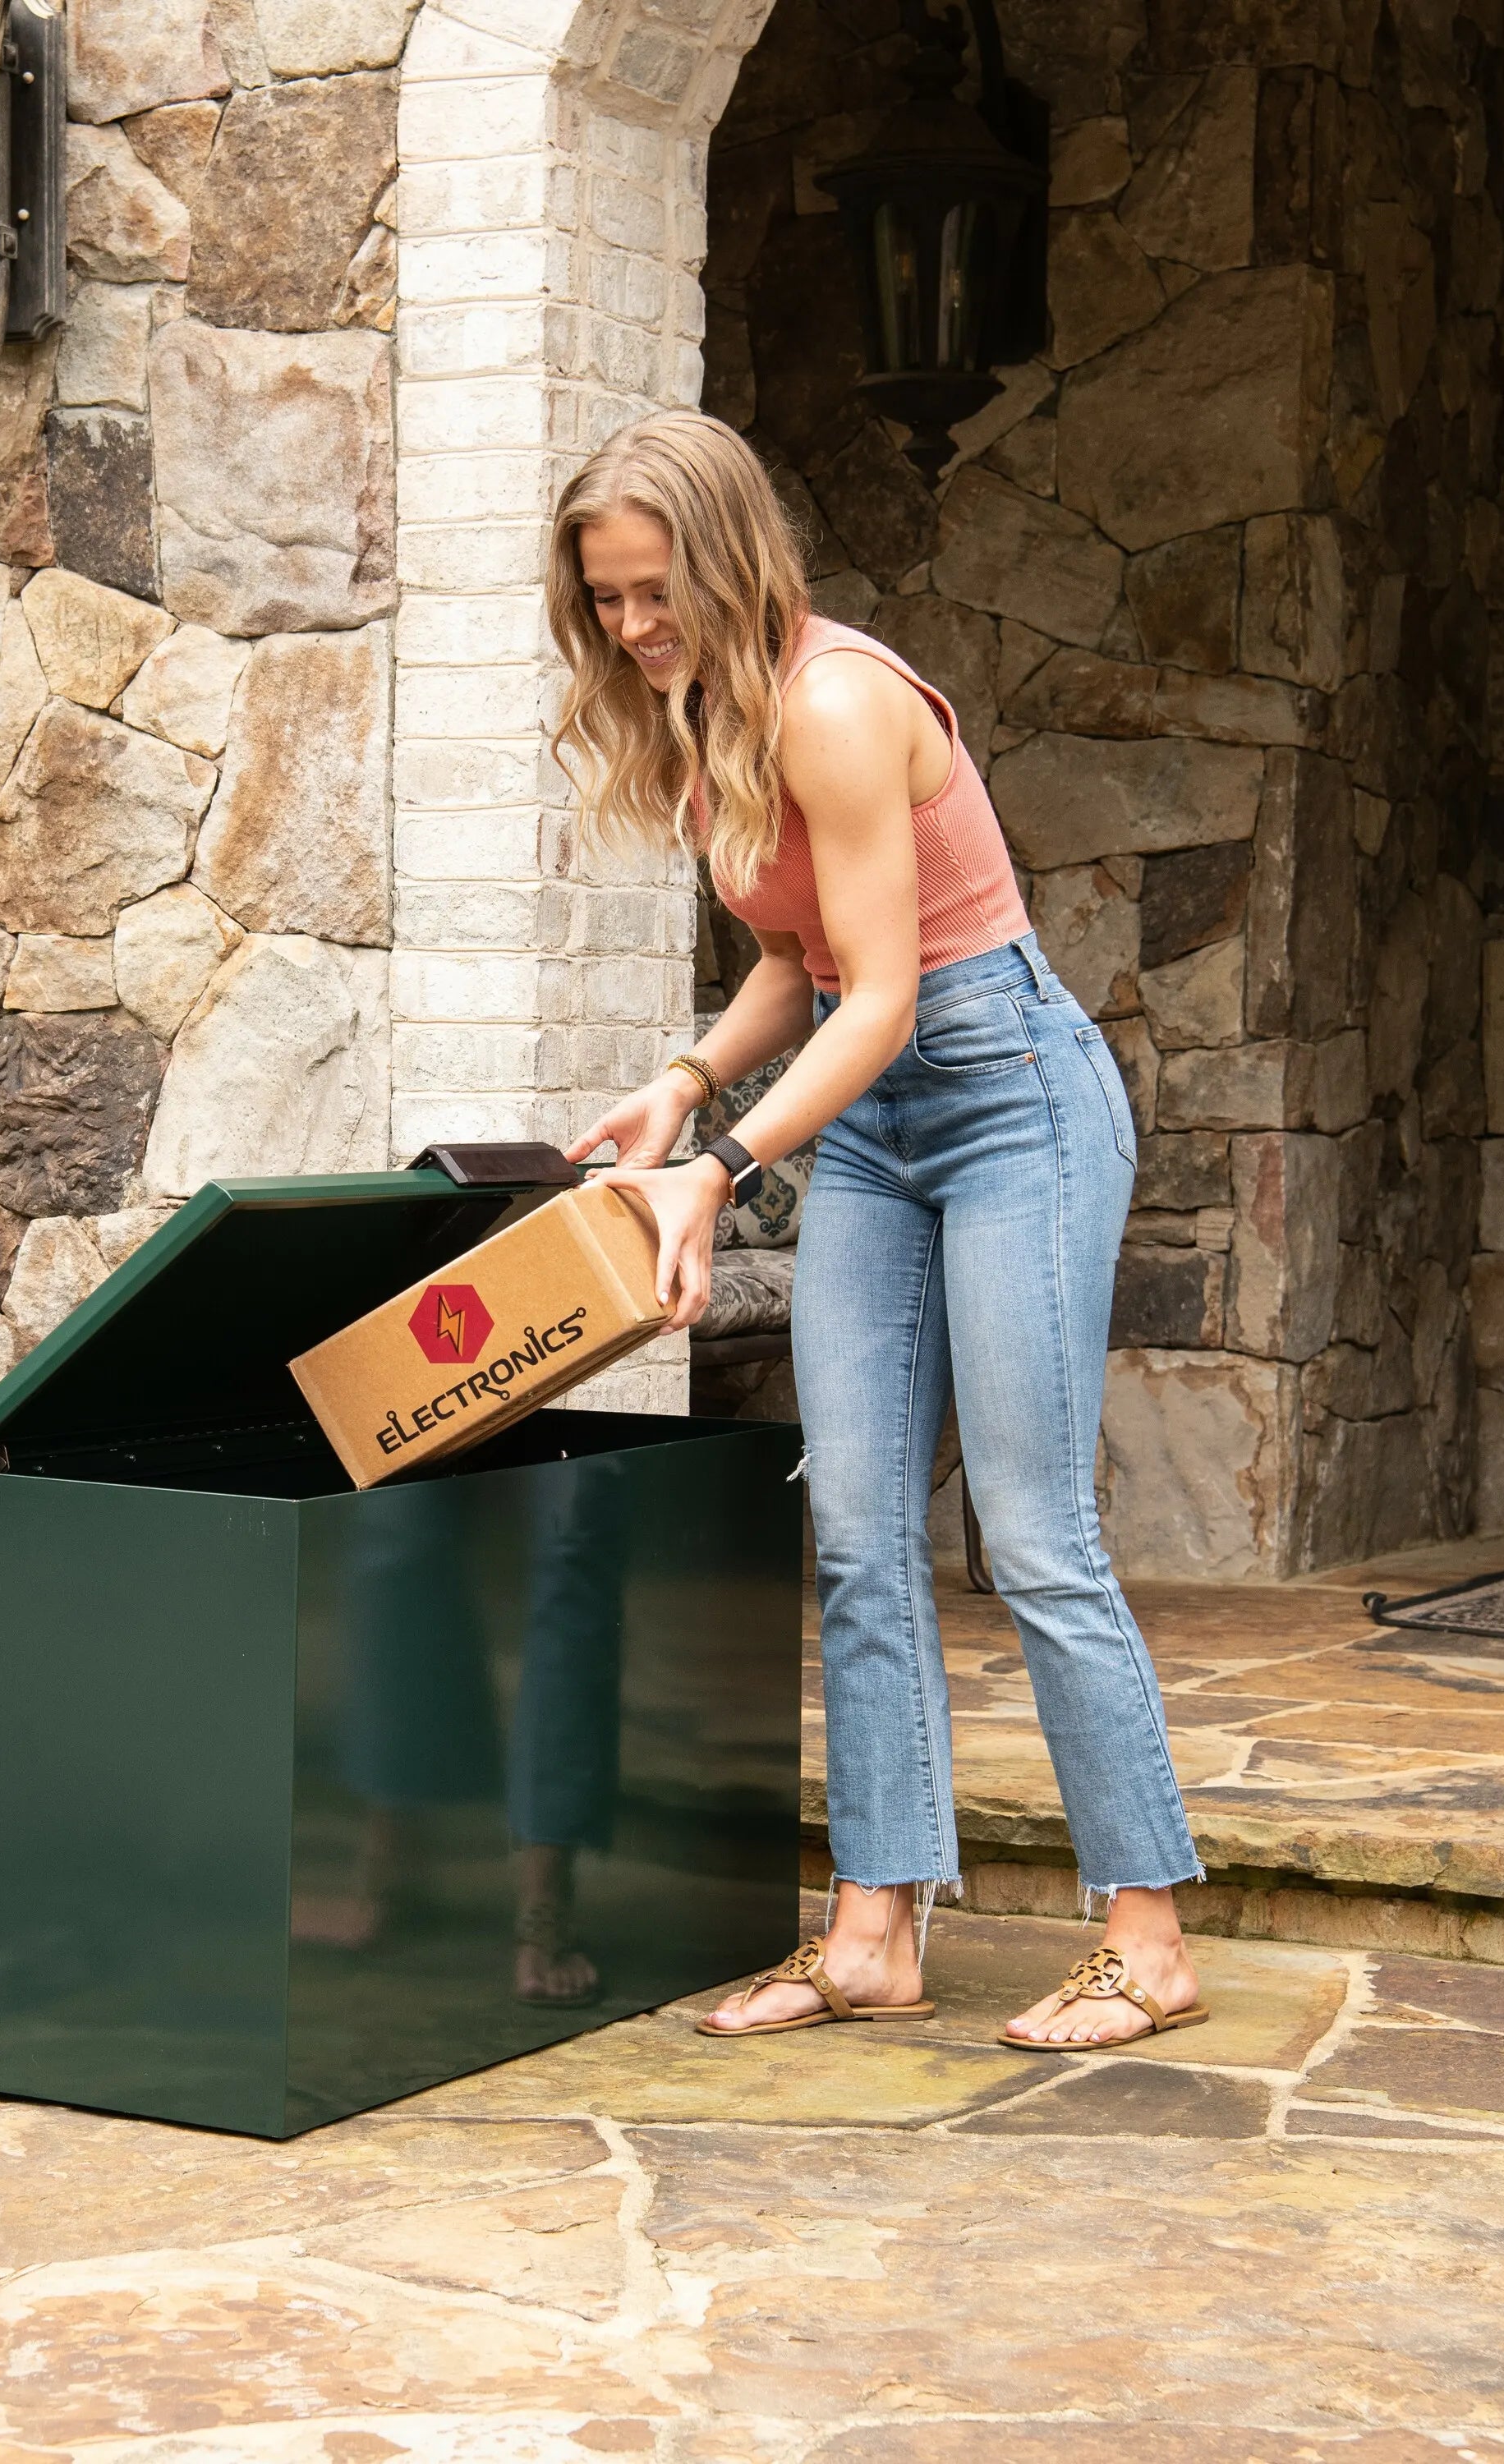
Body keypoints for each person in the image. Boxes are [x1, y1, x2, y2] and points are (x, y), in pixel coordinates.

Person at [551, 411, 1210, 2049]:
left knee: (1035, 1531)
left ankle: (1148, 1936)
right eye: (607, 601)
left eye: (655, 592)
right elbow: (811, 954)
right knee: (853, 1527)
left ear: (727, 555)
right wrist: (683, 1078)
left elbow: (896, 994)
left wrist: (721, 1165)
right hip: (880, 1123)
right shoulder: (711, 714)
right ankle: (873, 1930)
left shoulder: (839, 702)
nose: (634, 630)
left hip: (1009, 1107)